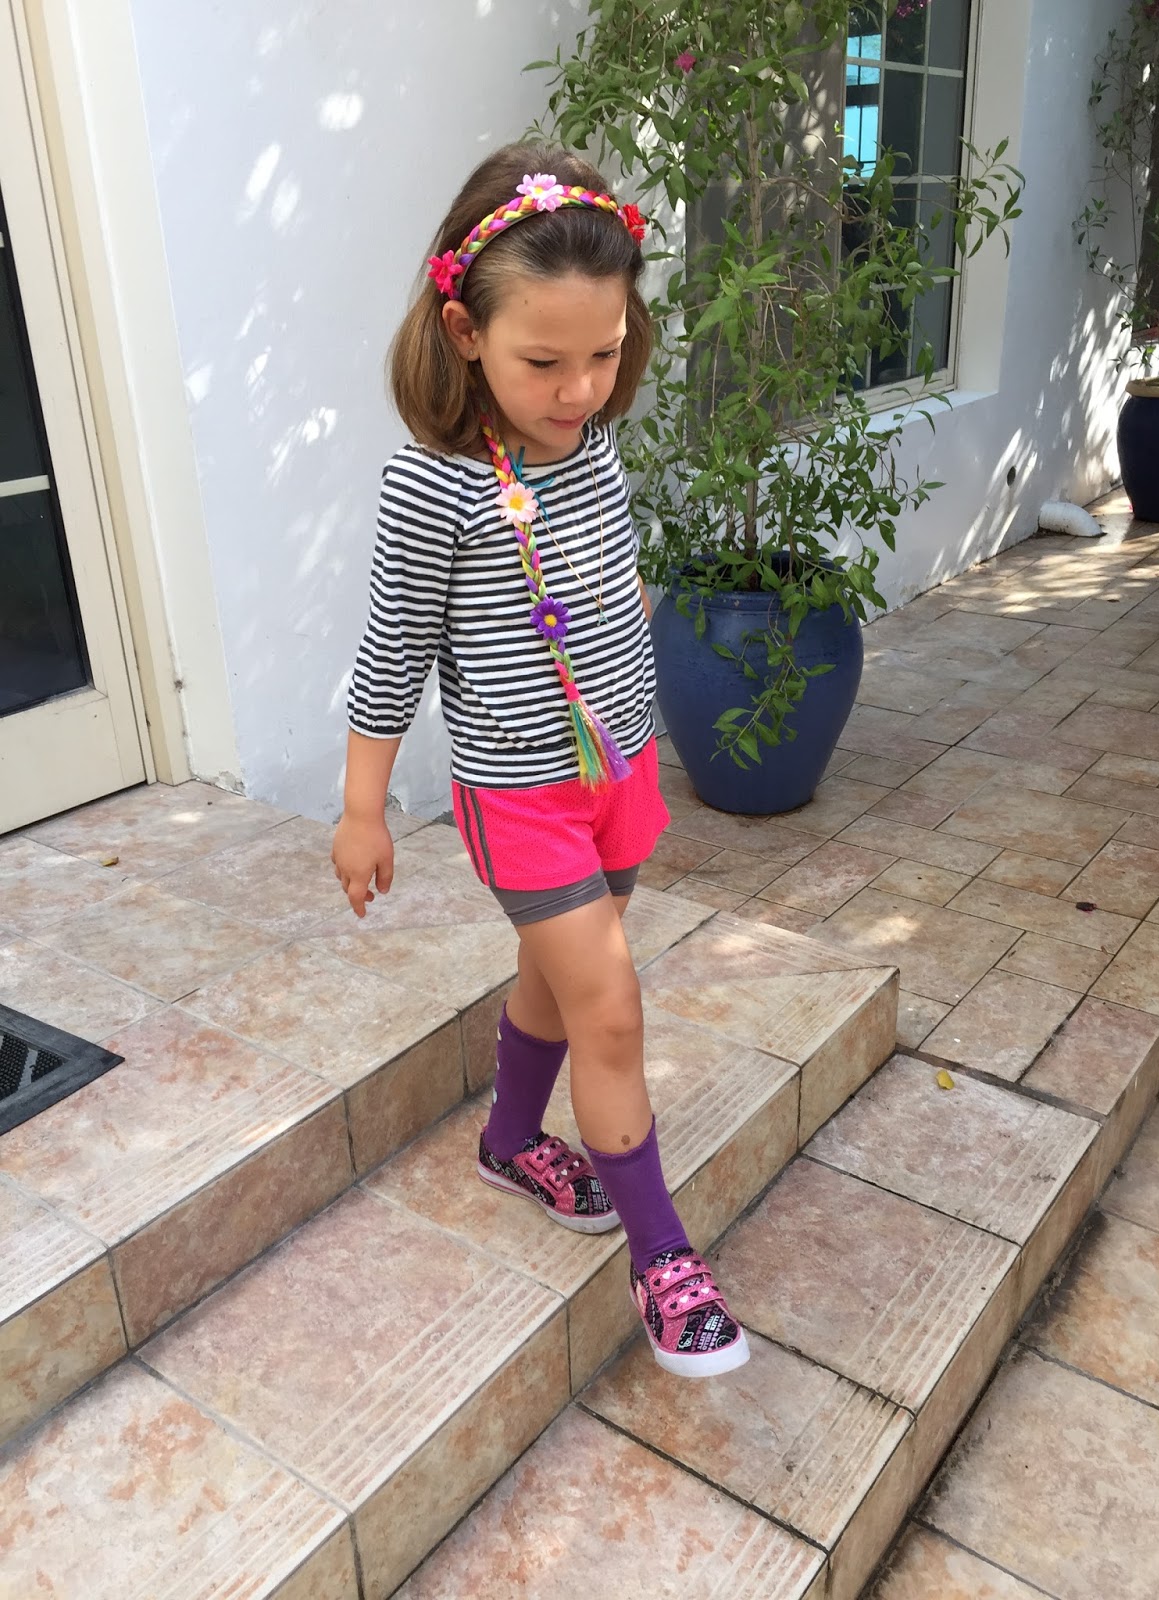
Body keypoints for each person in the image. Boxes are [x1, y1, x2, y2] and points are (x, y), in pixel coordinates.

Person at [332, 143, 748, 1378]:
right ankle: (664, 1261)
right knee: (609, 1004)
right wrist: (362, 809)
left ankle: (511, 1138)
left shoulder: (590, 441)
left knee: (561, 980)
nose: (580, 389)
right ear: (465, 333)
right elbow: (390, 654)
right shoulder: (435, 488)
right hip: (519, 797)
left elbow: (602, 586)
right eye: (545, 362)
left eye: (604, 353)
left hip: (616, 770)